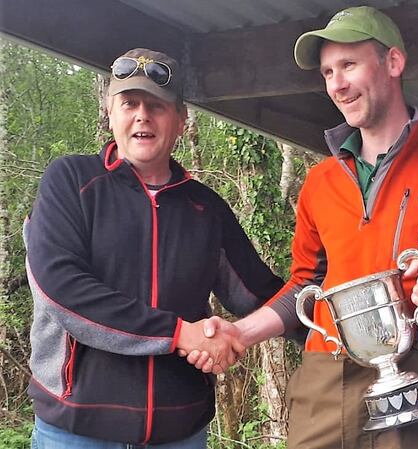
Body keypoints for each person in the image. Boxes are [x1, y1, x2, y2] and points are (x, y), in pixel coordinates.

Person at [188, 6, 418, 449]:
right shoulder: (319, 182)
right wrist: (240, 333)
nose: (337, 85)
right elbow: (306, 285)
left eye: (349, 65)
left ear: (393, 63)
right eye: (327, 72)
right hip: (326, 385)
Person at [23, 48, 284, 447]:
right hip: (76, 427)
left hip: (180, 429)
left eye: (156, 105)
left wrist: (338, 310)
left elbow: (261, 294)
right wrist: (180, 334)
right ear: (111, 113)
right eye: (129, 103)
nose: (142, 115)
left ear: (180, 121)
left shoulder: (206, 208)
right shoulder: (71, 181)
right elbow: (63, 290)